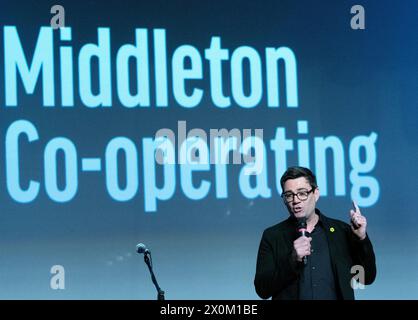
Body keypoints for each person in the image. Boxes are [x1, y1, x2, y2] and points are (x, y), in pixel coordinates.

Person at [254, 166, 376, 300]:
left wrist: (361, 238)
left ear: (316, 193)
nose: (295, 201)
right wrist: (292, 260)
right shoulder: (273, 236)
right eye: (289, 195)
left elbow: (367, 278)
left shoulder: (341, 231)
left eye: (302, 193)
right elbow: (262, 290)